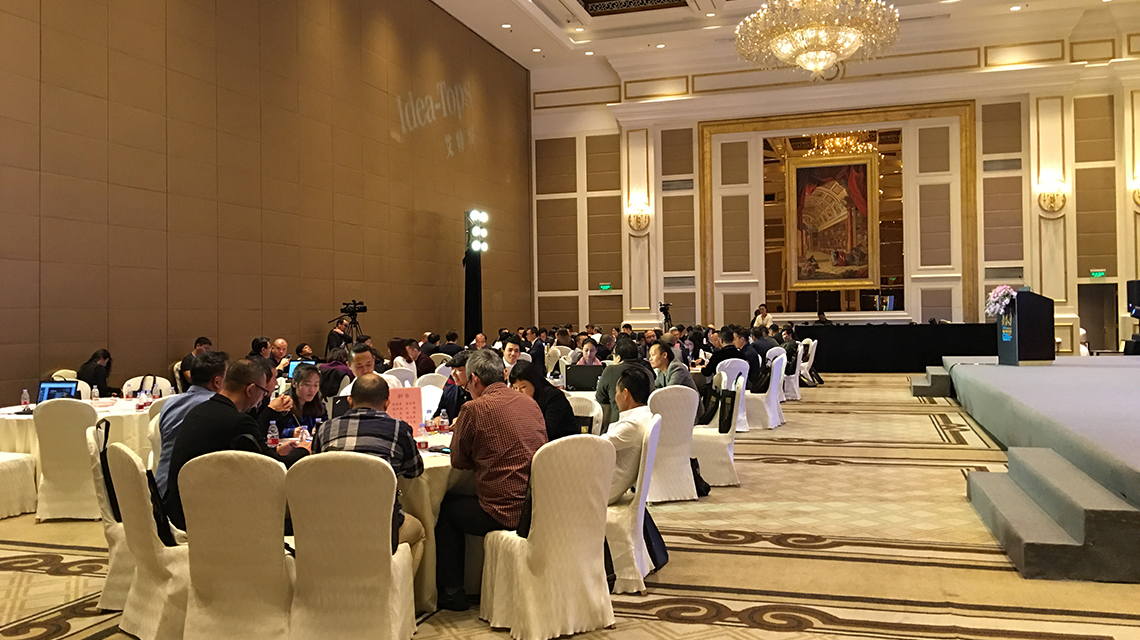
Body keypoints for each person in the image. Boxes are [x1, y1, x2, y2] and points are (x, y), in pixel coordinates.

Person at [435, 349, 547, 611]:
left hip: (502, 510)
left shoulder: (473, 408)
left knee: (445, 509)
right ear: (503, 373)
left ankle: (453, 592)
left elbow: (458, 461)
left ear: (474, 379)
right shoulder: (528, 402)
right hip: (536, 504)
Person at [164, 358, 309, 530]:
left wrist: (276, 450)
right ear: (251, 390)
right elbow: (274, 469)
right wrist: (303, 451)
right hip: (208, 521)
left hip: (178, 511)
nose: (262, 398)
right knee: (302, 521)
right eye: (263, 392)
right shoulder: (238, 422)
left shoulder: (199, 411)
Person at [314, 374, 425, 562]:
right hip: (381, 526)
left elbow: (314, 467)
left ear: (350, 401)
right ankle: (396, 580)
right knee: (419, 531)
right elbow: (415, 470)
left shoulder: (325, 429)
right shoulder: (399, 429)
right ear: (387, 403)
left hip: (329, 523)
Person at [156, 350, 228, 496]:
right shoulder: (215, 407)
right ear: (217, 382)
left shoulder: (170, 403)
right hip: (187, 495)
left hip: (160, 488)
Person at [603, 367, 655, 505]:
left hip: (602, 490)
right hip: (611, 486)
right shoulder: (647, 416)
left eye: (616, 392)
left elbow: (595, 446)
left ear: (625, 393)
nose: (615, 398)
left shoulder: (632, 425)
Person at [508, 361, 578, 441]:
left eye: (523, 387)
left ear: (534, 383)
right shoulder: (521, 400)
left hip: (564, 443)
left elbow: (546, 431)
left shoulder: (554, 397)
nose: (518, 392)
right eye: (515, 388)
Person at [596, 338, 652, 429]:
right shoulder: (648, 372)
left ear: (618, 357)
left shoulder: (610, 370)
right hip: (644, 424)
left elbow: (600, 397)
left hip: (618, 423)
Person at [259, 363, 327, 438]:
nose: (312, 390)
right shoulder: (283, 404)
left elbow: (327, 426)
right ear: (294, 383)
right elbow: (270, 431)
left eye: (316, 385)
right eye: (307, 385)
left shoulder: (320, 406)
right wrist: (291, 432)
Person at [433, 350, 472, 421]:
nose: (453, 373)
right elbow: (437, 415)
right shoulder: (448, 392)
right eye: (452, 369)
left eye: (458, 370)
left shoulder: (482, 394)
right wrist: (438, 419)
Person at [733, 326, 763, 391]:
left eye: (735, 339)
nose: (733, 342)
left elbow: (740, 368)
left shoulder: (749, 352)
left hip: (750, 383)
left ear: (742, 339)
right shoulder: (744, 350)